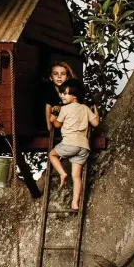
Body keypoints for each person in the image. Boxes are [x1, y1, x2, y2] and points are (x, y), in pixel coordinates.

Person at [49, 79, 100, 210]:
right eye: (61, 93)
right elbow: (95, 124)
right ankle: (75, 203)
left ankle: (62, 173)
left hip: (69, 144)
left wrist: (53, 116)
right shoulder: (86, 109)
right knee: (77, 176)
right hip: (83, 147)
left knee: (52, 155)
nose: (62, 96)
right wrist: (96, 112)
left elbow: (57, 125)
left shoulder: (65, 109)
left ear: (74, 95)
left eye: (65, 94)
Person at [42, 61, 77, 132]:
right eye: (55, 74)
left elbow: (75, 106)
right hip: (56, 122)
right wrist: (49, 127)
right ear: (51, 77)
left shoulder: (72, 89)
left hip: (71, 121)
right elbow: (48, 107)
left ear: (67, 77)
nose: (59, 76)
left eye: (63, 74)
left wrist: (60, 108)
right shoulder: (49, 90)